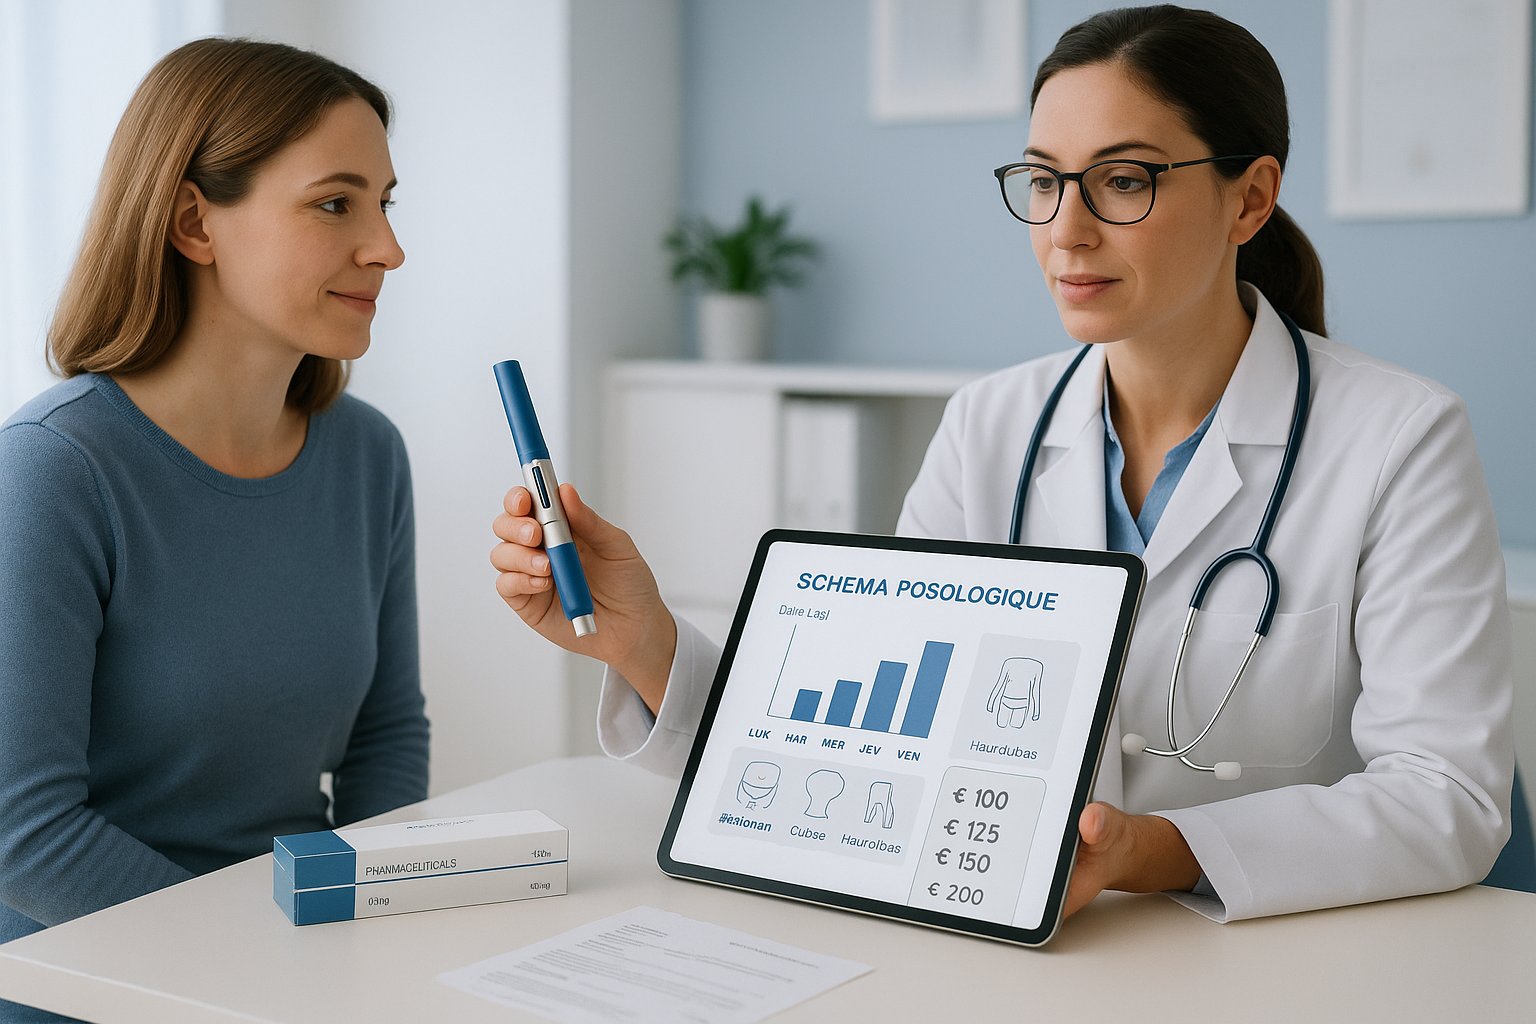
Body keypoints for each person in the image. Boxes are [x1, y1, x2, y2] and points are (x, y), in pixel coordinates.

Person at [490, 5, 1513, 924]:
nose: (1065, 231)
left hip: (1289, 965)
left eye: (1123, 181)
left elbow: (1450, 796)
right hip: (1024, 950)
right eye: (1043, 180)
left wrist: (1156, 854)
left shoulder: (1400, 438)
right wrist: (646, 641)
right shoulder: (992, 425)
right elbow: (864, 738)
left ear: (1249, 202)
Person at [0, 39, 427, 1021]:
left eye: (385, 204)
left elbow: (386, 741)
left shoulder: (368, 456)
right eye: (336, 203)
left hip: (294, 969)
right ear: (195, 221)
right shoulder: (54, 468)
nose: (387, 248)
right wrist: (256, 971)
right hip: (96, 985)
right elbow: (21, 831)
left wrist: (372, 936)